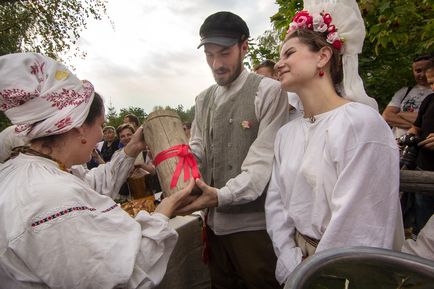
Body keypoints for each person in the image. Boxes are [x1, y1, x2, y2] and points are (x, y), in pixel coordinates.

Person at [0, 52, 196, 288]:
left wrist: (132, 148)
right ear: (80, 127)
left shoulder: (30, 169)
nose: (102, 135)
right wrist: (162, 215)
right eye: (101, 125)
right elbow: (124, 275)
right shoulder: (52, 198)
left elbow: (89, 185)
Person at [264, 1, 404, 284]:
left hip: (346, 270)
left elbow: (361, 222)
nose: (278, 64)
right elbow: (276, 205)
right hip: (297, 262)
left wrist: (315, 275)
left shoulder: (359, 123)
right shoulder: (286, 134)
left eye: (289, 53)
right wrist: (290, 259)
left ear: (323, 56)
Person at [178, 11, 289, 289]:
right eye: (209, 55)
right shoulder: (203, 98)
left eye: (224, 53)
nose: (216, 64)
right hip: (212, 226)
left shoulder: (270, 91)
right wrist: (178, 161)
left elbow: (262, 162)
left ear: (244, 47)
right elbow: (199, 148)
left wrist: (220, 196)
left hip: (253, 227)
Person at [406, 58, 434, 234]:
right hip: (423, 169)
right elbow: (416, 127)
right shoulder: (429, 100)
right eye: (431, 83)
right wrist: (407, 137)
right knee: (422, 223)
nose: (433, 87)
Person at [382, 54, 432, 138]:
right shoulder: (404, 91)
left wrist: (400, 114)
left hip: (423, 144)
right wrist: (415, 127)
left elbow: (428, 119)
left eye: (426, 70)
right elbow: (386, 116)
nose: (422, 74)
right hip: (397, 143)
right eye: (418, 71)